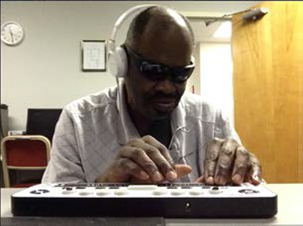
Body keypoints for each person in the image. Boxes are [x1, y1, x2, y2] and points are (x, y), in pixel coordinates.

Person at [42, 5, 261, 186]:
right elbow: (52, 214)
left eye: (180, 74)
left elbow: (246, 193)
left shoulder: (212, 119)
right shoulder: (78, 122)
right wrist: (106, 186)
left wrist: (241, 179)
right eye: (153, 70)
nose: (167, 87)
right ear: (122, 63)